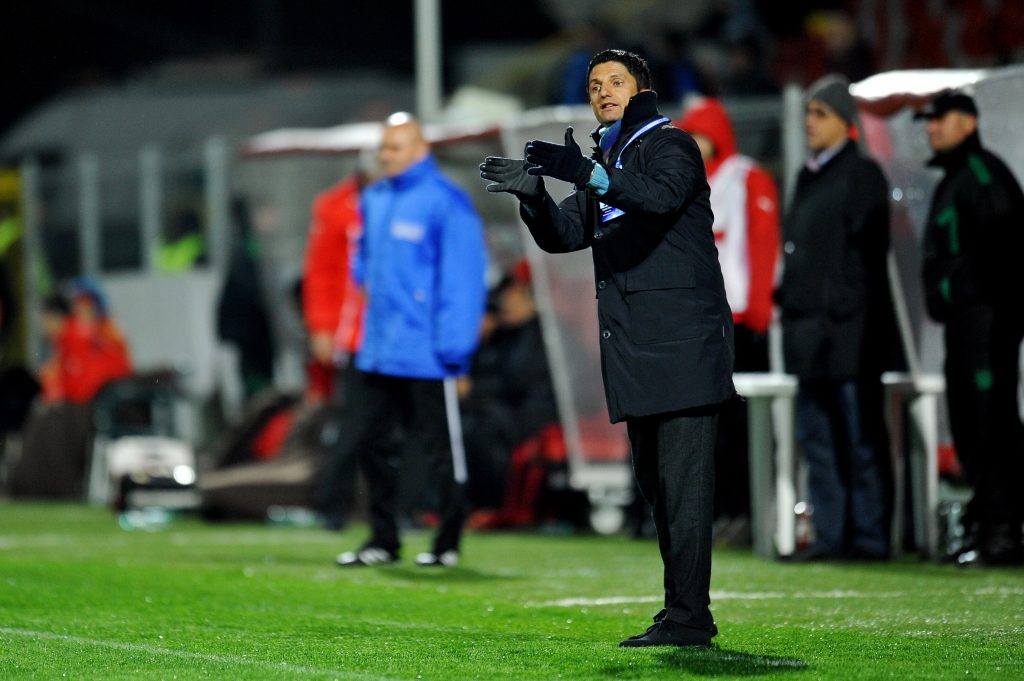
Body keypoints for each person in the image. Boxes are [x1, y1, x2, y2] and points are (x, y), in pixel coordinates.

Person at [481, 48, 734, 648]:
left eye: (616, 82)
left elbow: (658, 197)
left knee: (684, 491)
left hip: (683, 345)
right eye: (595, 84)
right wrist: (535, 197)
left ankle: (690, 618)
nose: (604, 91)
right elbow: (567, 234)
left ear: (641, 89)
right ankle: (680, 613)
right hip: (638, 348)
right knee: (659, 489)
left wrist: (588, 174)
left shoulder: (671, 144)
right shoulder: (608, 158)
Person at [332, 113, 487, 568]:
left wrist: (455, 352)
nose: (385, 156)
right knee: (371, 443)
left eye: (395, 148)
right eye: (383, 147)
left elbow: (462, 281)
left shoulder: (445, 201)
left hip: (429, 351)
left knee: (442, 448)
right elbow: (362, 258)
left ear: (420, 150)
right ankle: (383, 538)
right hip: (378, 348)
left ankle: (447, 540)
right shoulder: (376, 197)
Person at [775, 75, 897, 562]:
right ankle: (832, 537)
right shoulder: (807, 176)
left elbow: (866, 255)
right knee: (819, 441)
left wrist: (840, 308)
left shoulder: (862, 173)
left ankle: (869, 538)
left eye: (820, 113)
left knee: (860, 437)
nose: (810, 122)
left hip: (849, 333)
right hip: (809, 332)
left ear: (846, 124)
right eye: (808, 112)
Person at [915, 90, 1024, 566]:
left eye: (939, 119)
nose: (931, 128)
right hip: (967, 326)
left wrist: (964, 294)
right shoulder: (957, 178)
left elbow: (1007, 248)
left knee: (991, 423)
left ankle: (1004, 532)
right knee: (972, 425)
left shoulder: (981, 174)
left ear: (967, 122)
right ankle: (986, 526)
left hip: (988, 326)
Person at [675, 97, 780, 544]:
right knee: (706, 430)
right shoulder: (681, 182)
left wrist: (758, 312)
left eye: (698, 135)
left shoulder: (745, 177)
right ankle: (717, 514)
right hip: (696, 322)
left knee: (742, 429)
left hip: (738, 322)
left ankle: (748, 512)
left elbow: (762, 245)